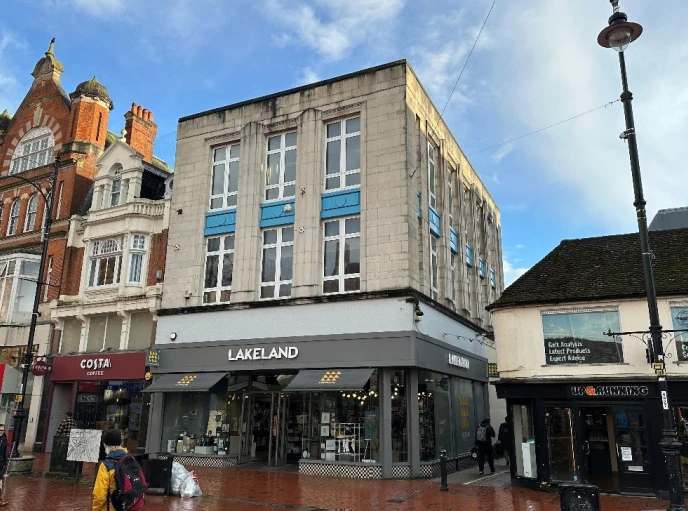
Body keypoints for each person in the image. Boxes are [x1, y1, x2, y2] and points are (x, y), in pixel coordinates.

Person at [92, 429, 127, 511]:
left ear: (106, 445)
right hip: (128, 506)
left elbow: (99, 495)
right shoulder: (130, 460)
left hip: (111, 507)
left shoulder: (106, 465)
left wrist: (95, 509)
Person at [0, 424, 8, 506]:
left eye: (2, 430)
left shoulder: (4, 439)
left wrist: (5, 462)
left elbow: (4, 452)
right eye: (0, 430)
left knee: (0, 481)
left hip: (1, 462)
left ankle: (0, 500)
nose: (1, 432)